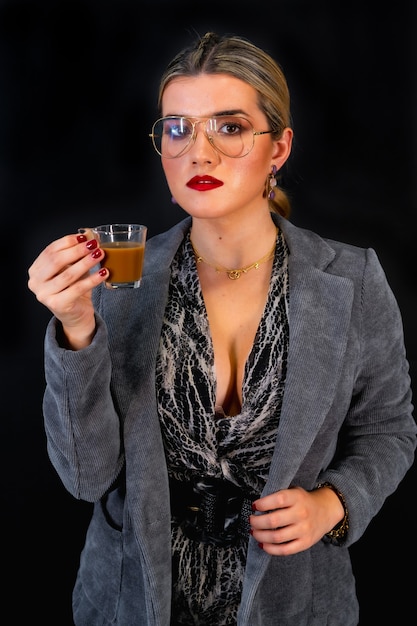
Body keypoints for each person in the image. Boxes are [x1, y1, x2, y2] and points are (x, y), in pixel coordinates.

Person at [28, 31, 415, 626]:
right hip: (136, 602)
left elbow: (388, 431)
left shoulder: (353, 280)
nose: (198, 153)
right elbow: (87, 478)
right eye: (177, 128)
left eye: (228, 127)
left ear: (279, 147)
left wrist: (333, 504)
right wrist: (76, 327)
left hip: (293, 603)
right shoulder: (115, 282)